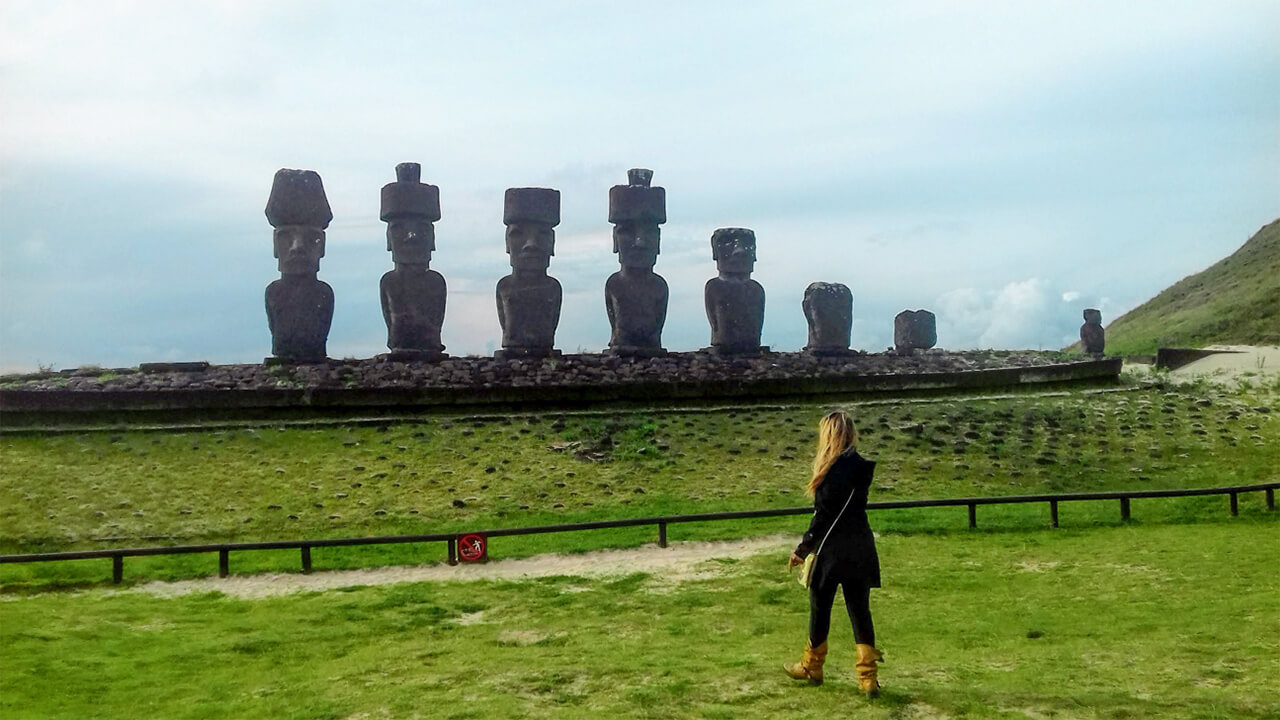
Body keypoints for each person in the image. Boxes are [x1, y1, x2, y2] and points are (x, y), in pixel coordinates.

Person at [785, 410, 883, 695]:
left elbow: (822, 519)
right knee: (859, 611)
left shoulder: (828, 473)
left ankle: (811, 665)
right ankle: (868, 678)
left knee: (820, 608)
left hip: (831, 551)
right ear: (851, 434)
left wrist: (802, 550)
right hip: (861, 547)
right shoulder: (862, 469)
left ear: (829, 435)